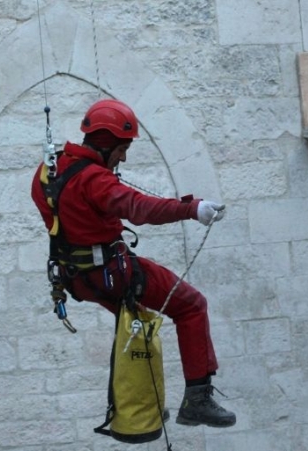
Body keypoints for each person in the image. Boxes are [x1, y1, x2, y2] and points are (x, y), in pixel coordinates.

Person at [30, 98, 235, 427]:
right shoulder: (96, 181)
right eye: (122, 149)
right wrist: (191, 209)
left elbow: (55, 212)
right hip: (113, 273)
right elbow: (140, 208)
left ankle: (141, 405)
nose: (123, 157)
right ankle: (197, 399)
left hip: (77, 280)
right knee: (192, 305)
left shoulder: (48, 172)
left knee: (139, 325)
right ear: (108, 144)